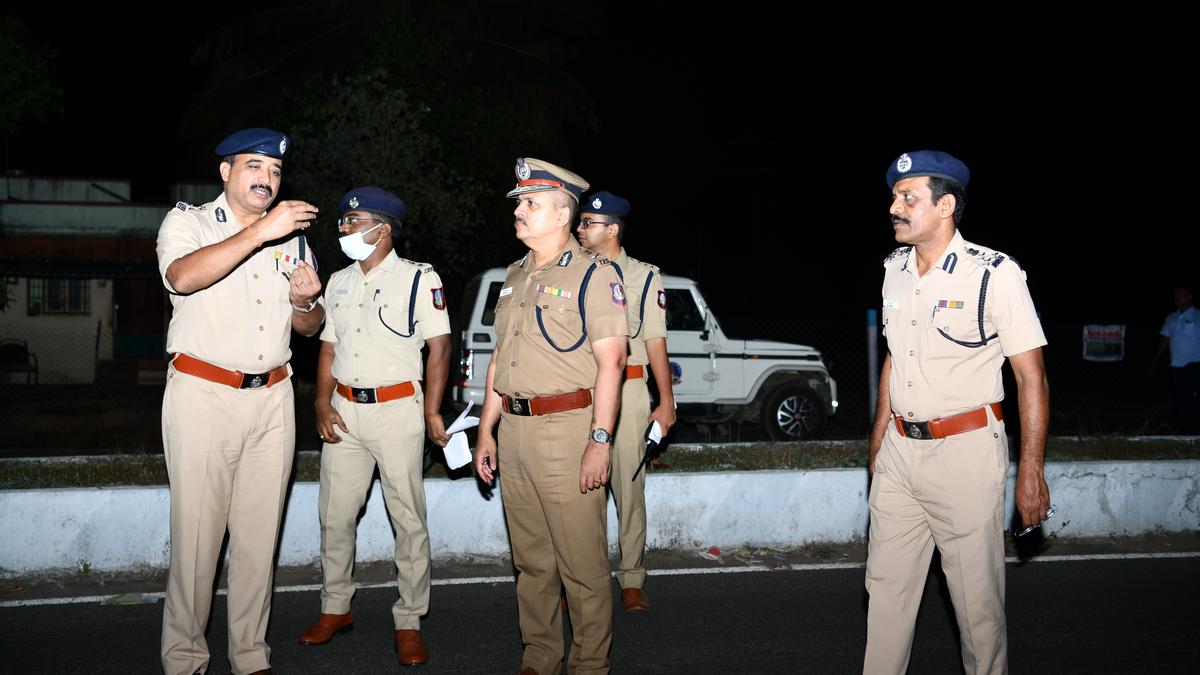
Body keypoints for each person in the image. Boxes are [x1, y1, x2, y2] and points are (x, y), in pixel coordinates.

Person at [863, 150, 1052, 675]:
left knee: (977, 608)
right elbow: (896, 358)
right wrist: (879, 443)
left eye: (908, 198)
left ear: (945, 205)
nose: (894, 208)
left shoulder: (994, 274)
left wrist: (1031, 471)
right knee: (884, 596)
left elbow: (1030, 378)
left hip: (966, 455)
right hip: (900, 454)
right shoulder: (895, 270)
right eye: (894, 197)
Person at [156, 127, 324, 675]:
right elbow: (181, 277)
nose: (267, 179)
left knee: (258, 541)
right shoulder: (189, 222)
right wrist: (260, 234)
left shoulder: (293, 238)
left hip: (273, 399)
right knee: (198, 541)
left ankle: (251, 655)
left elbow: (309, 326)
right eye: (254, 167)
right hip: (204, 395)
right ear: (225, 171)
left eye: (275, 171)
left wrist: (307, 301)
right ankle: (184, 660)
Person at [474, 158, 628, 674]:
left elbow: (613, 363)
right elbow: (501, 359)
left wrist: (599, 440)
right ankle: (539, 655)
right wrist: (487, 430)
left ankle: (590, 664)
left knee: (582, 567)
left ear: (563, 214)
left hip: (568, 432)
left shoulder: (595, 274)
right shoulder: (514, 276)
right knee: (531, 562)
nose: (519, 212)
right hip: (514, 431)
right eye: (519, 203)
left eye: (530, 203)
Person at [297, 187, 451, 665]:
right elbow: (327, 347)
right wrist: (322, 403)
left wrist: (431, 412)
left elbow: (440, 348)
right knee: (335, 516)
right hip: (345, 411)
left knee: (408, 519)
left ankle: (408, 620)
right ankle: (335, 607)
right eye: (342, 221)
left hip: (397, 411)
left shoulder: (418, 279)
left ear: (382, 229)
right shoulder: (339, 282)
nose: (343, 229)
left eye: (353, 221)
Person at [575, 190, 675, 612]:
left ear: (612, 229)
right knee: (580, 493)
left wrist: (666, 402)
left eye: (587, 224)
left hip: (630, 391)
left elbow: (655, 343)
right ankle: (582, 582)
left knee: (628, 489)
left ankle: (632, 578)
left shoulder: (644, 276)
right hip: (580, 393)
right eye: (579, 223)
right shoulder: (569, 271)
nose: (579, 229)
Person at [1150, 284, 1200, 433]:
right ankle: (1185, 434)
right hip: (1176, 367)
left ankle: (1194, 434)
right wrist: (1155, 359)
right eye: (1175, 294)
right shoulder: (1171, 317)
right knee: (1180, 402)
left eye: (1181, 294)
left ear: (1190, 297)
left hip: (1195, 366)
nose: (1177, 297)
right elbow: (1165, 340)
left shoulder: (1198, 315)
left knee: (1193, 401)